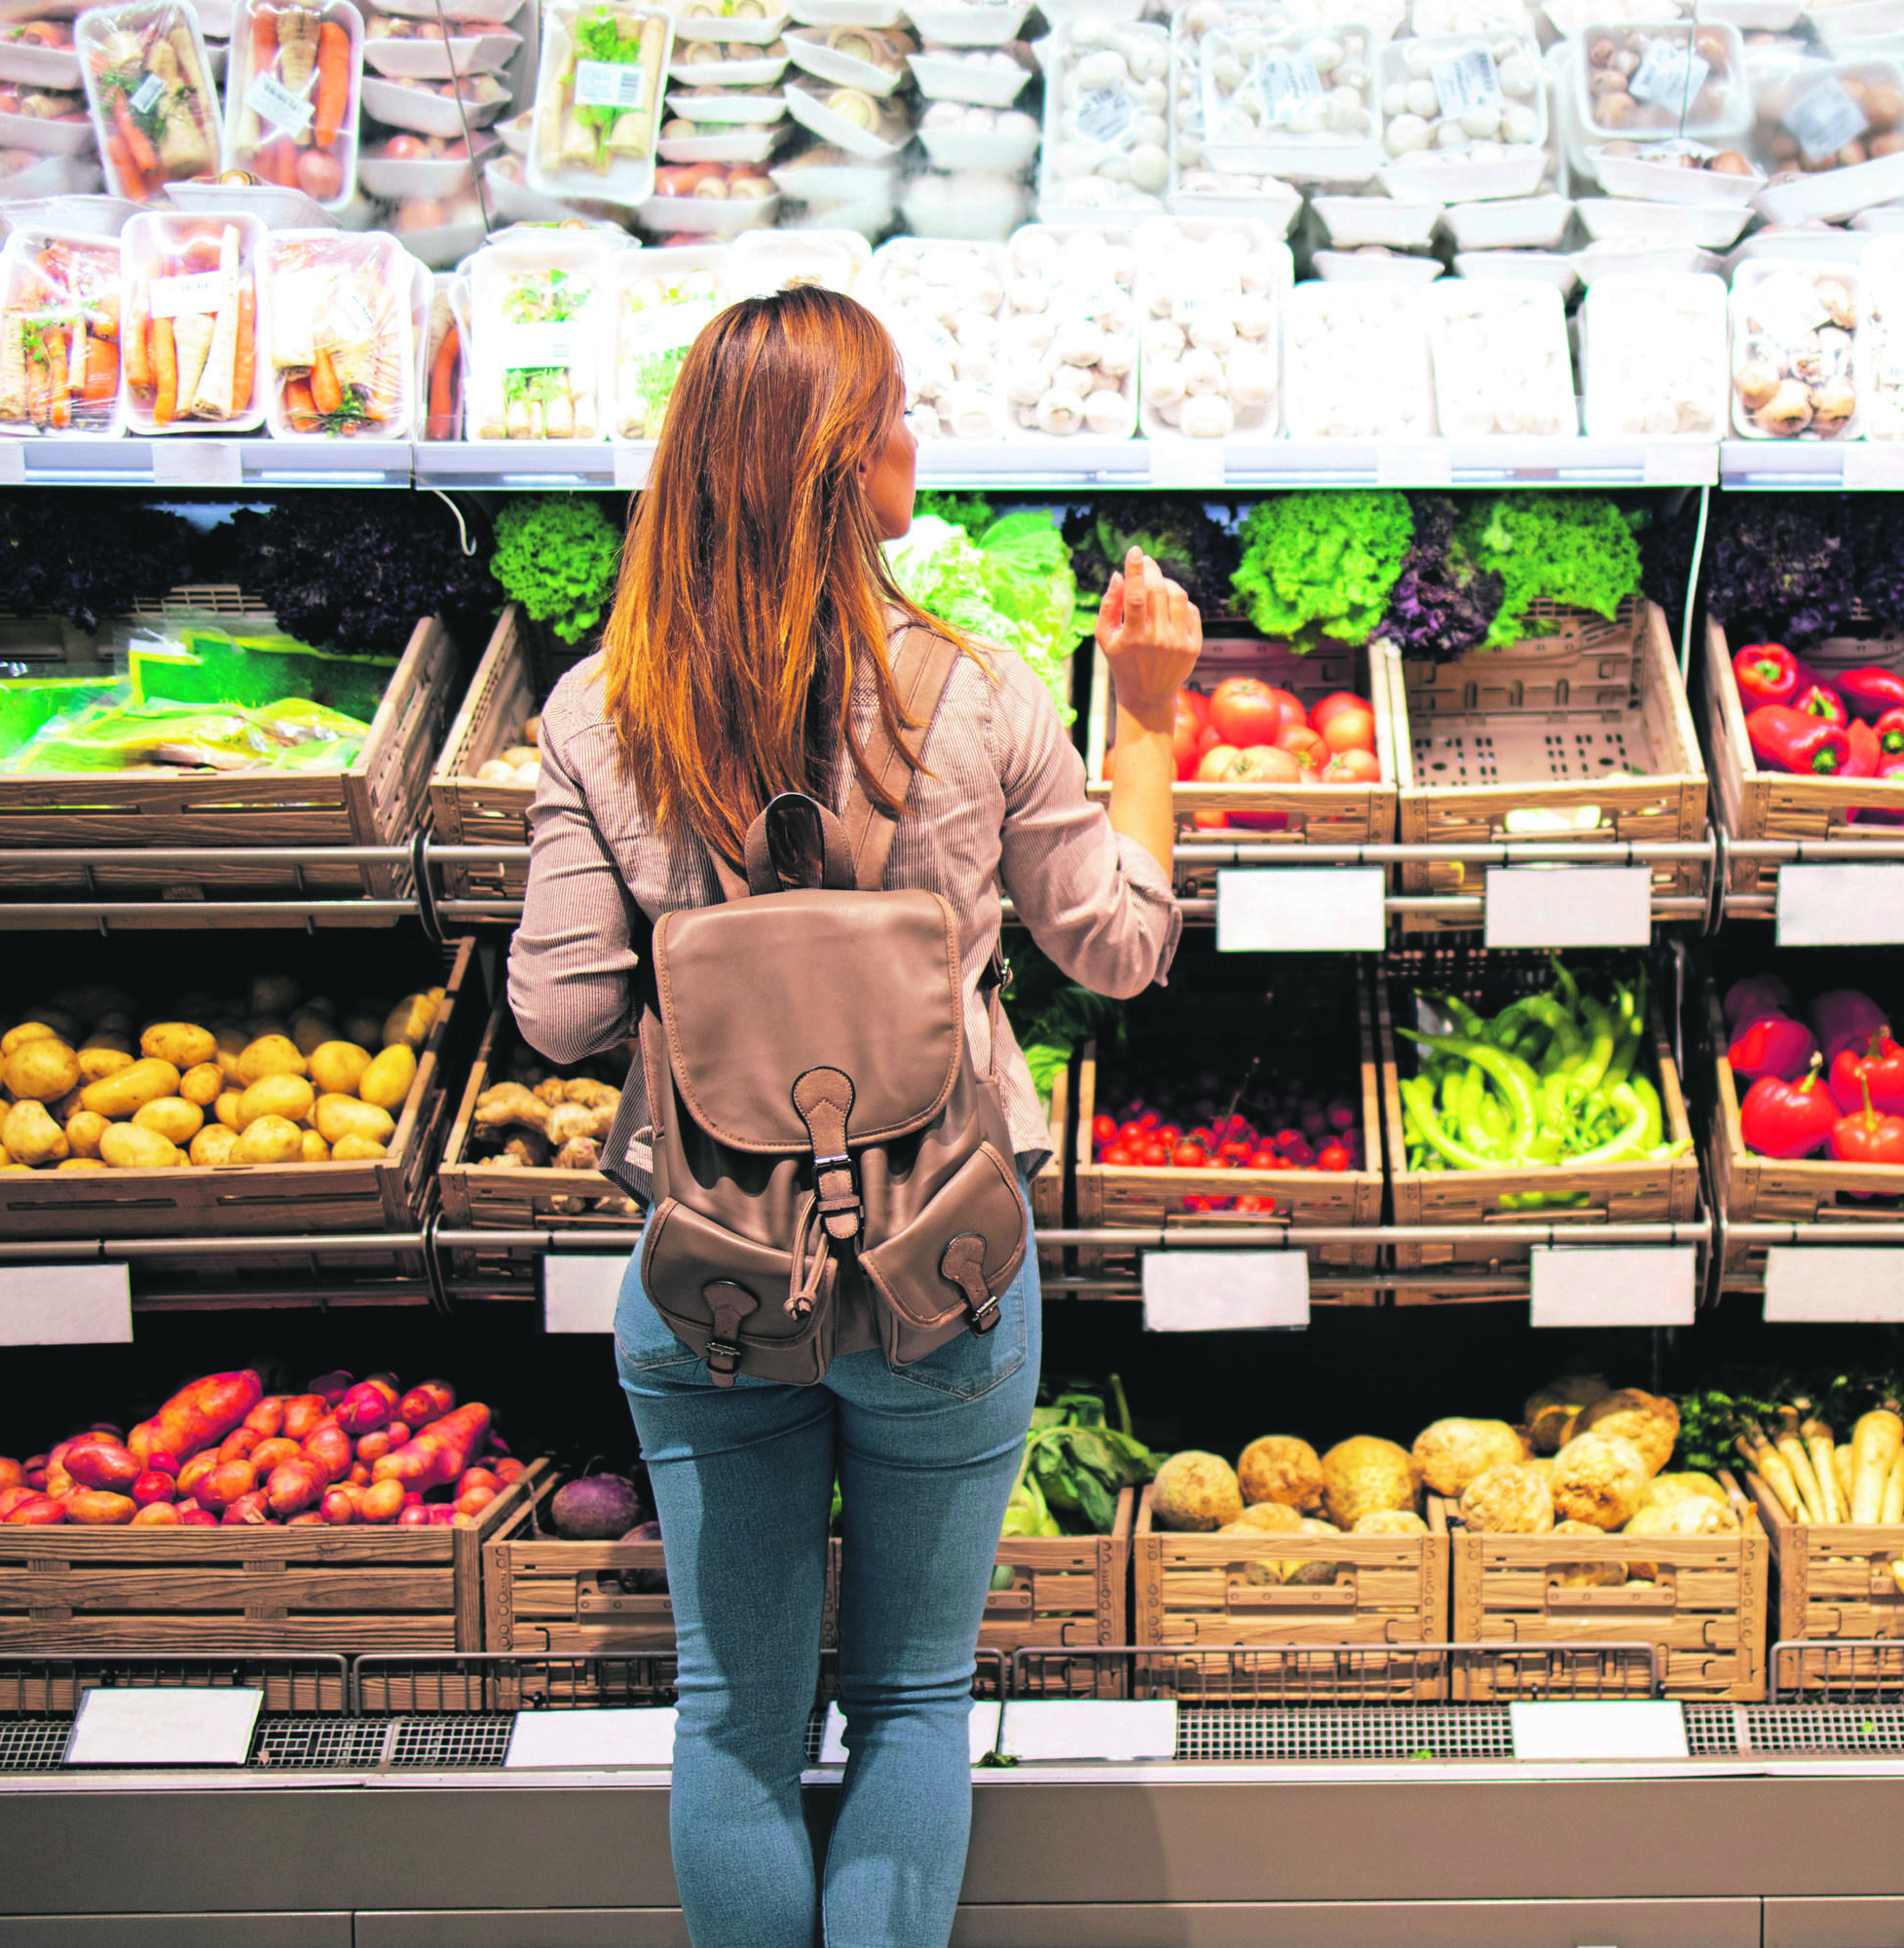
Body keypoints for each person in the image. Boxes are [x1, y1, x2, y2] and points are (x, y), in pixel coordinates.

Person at [507, 283, 1199, 1948]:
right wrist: (1154, 715)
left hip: (711, 1273)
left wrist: (707, 952)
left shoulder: (603, 718)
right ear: (841, 469)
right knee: (907, 1699)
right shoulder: (978, 694)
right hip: (942, 1268)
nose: (914, 441)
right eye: (890, 416)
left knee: (733, 1719)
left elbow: (560, 1012)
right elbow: (1116, 948)